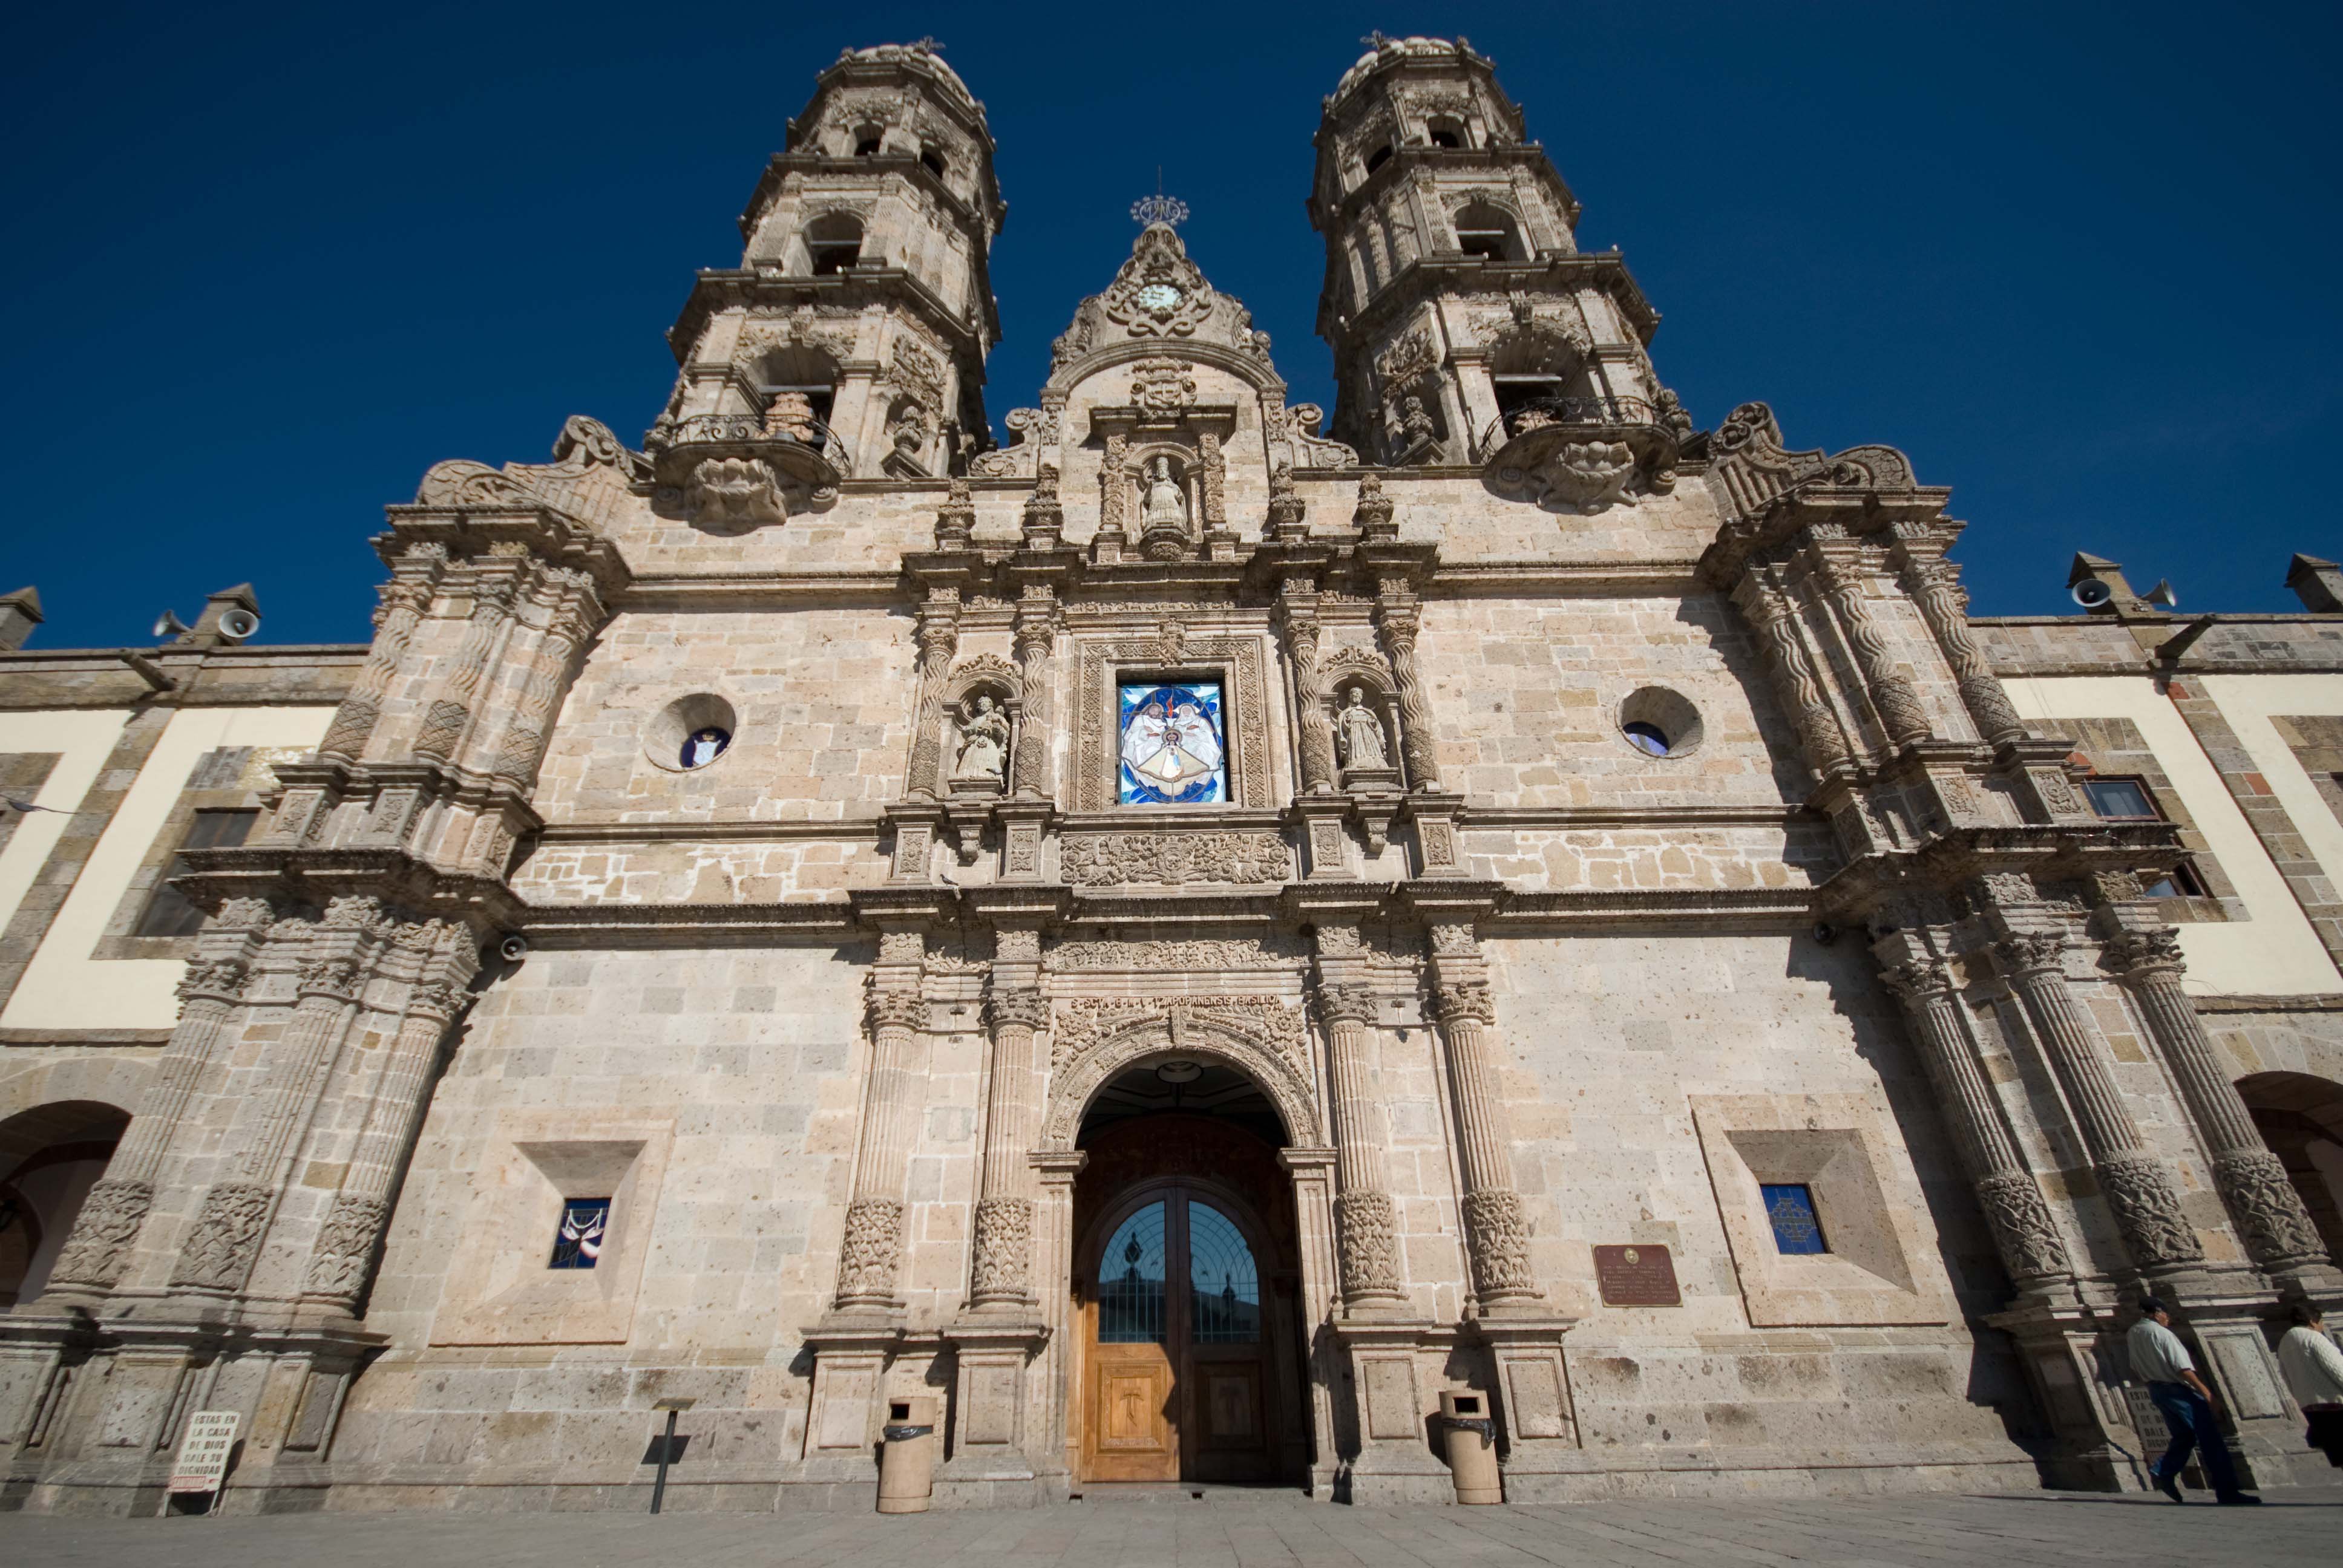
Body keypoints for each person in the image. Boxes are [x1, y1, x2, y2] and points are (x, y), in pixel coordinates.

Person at [2127, 1295, 2259, 1504]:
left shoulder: (2133, 1332)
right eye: (2166, 1314)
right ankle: (2227, 1491)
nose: (2168, 1318)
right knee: (2210, 1439)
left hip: (2156, 1390)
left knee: (2185, 1436)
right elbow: (2183, 1369)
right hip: (2177, 1391)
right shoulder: (2162, 1333)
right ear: (2158, 1313)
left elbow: (2134, 1366)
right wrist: (2208, 1394)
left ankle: (2164, 1471)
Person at [2278, 1301, 2343, 1468]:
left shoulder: (2284, 1343)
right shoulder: (2314, 1338)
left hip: (2312, 1409)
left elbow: (2286, 1378)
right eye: (2321, 1323)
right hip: (2335, 1406)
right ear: (2313, 1322)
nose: (2322, 1327)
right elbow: (2337, 1369)